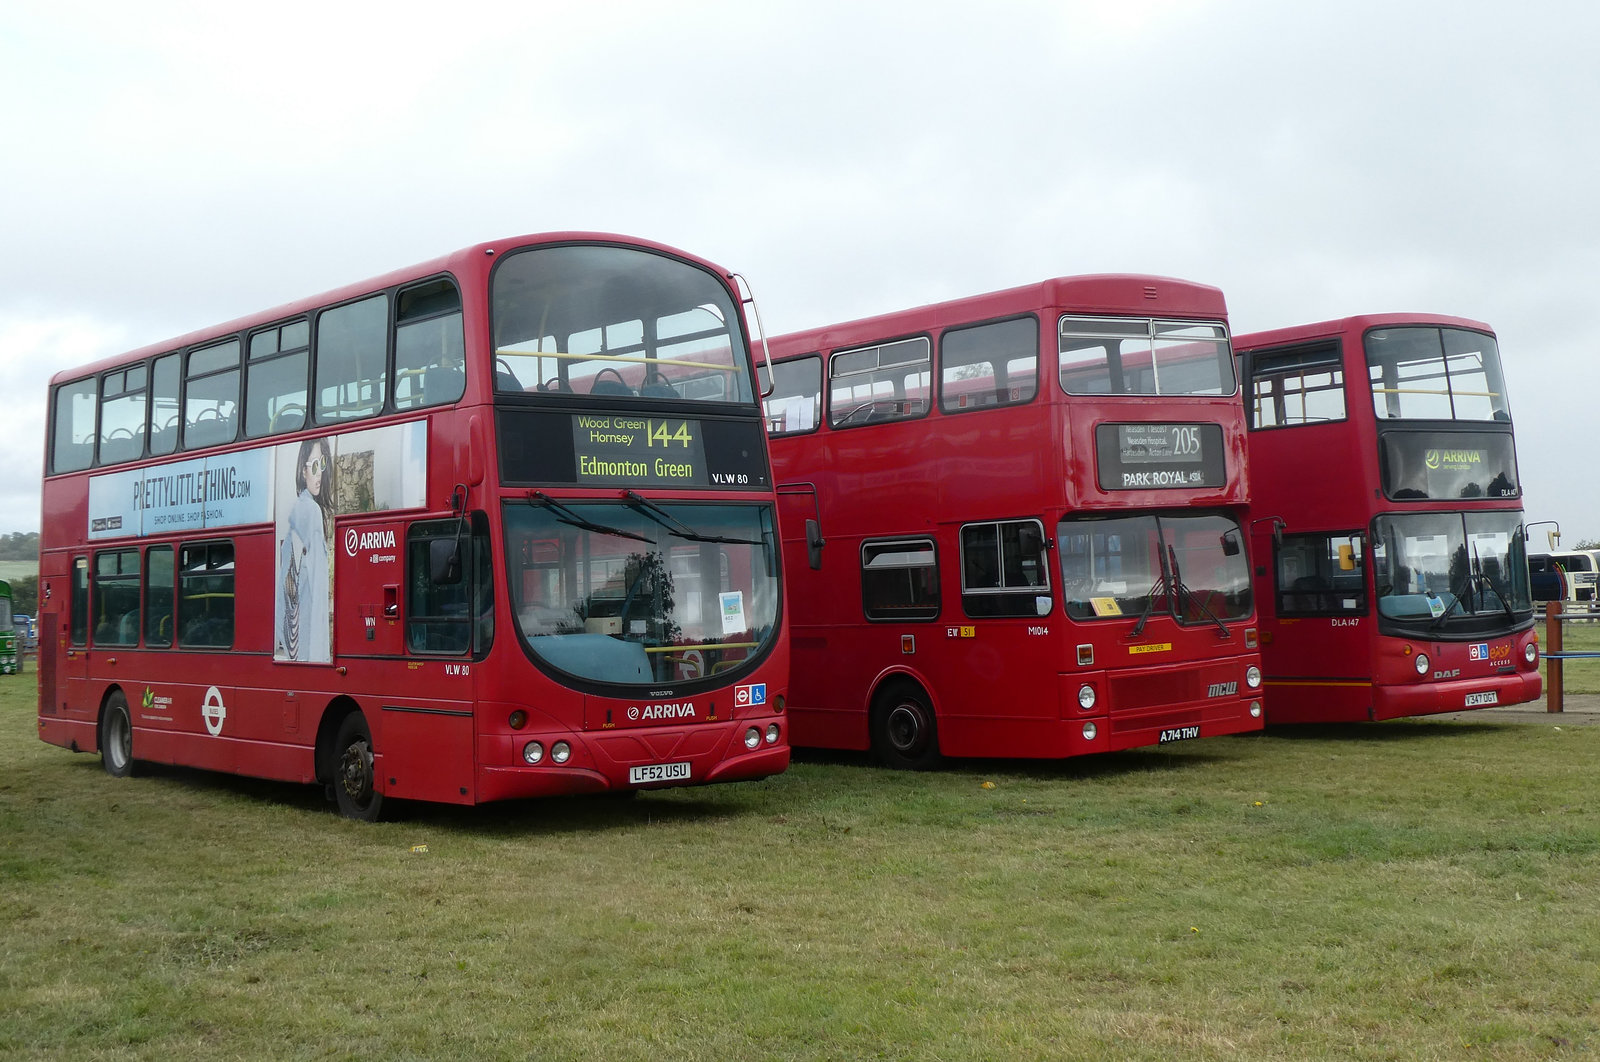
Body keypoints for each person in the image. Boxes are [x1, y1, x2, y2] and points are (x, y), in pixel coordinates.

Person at [276, 437, 333, 661]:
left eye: (323, 465)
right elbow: (318, 591)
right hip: (310, 634)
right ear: (303, 471)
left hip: (298, 636)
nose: (319, 474)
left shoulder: (298, 509)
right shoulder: (311, 511)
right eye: (314, 466)